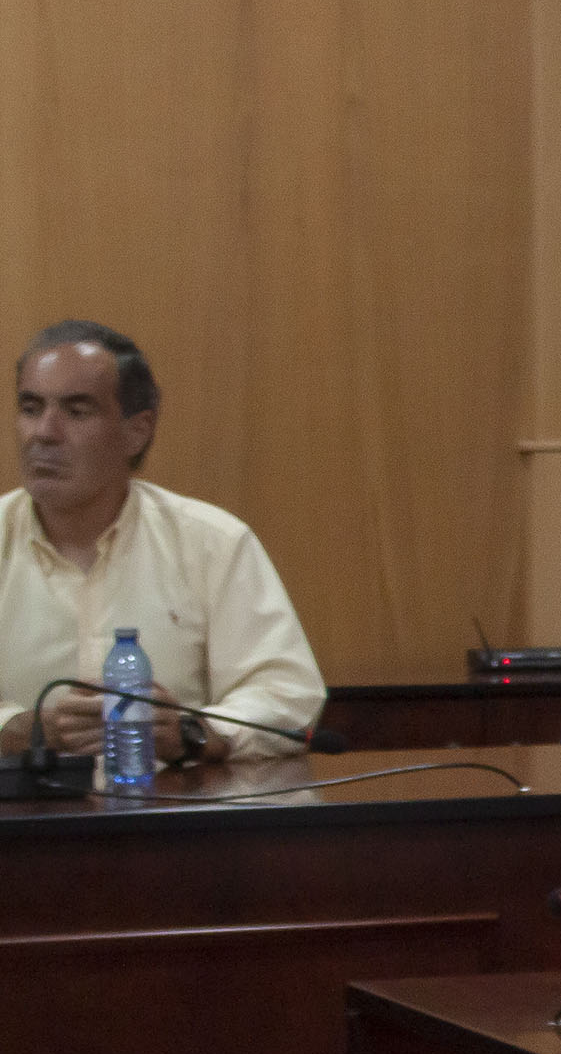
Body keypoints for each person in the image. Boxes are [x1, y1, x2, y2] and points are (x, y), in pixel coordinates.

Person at [2, 320, 324, 762]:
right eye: (30, 408)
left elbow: (287, 695)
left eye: (77, 412)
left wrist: (191, 731)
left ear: (137, 430)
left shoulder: (211, 543)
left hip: (174, 800)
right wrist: (24, 730)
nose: (44, 432)